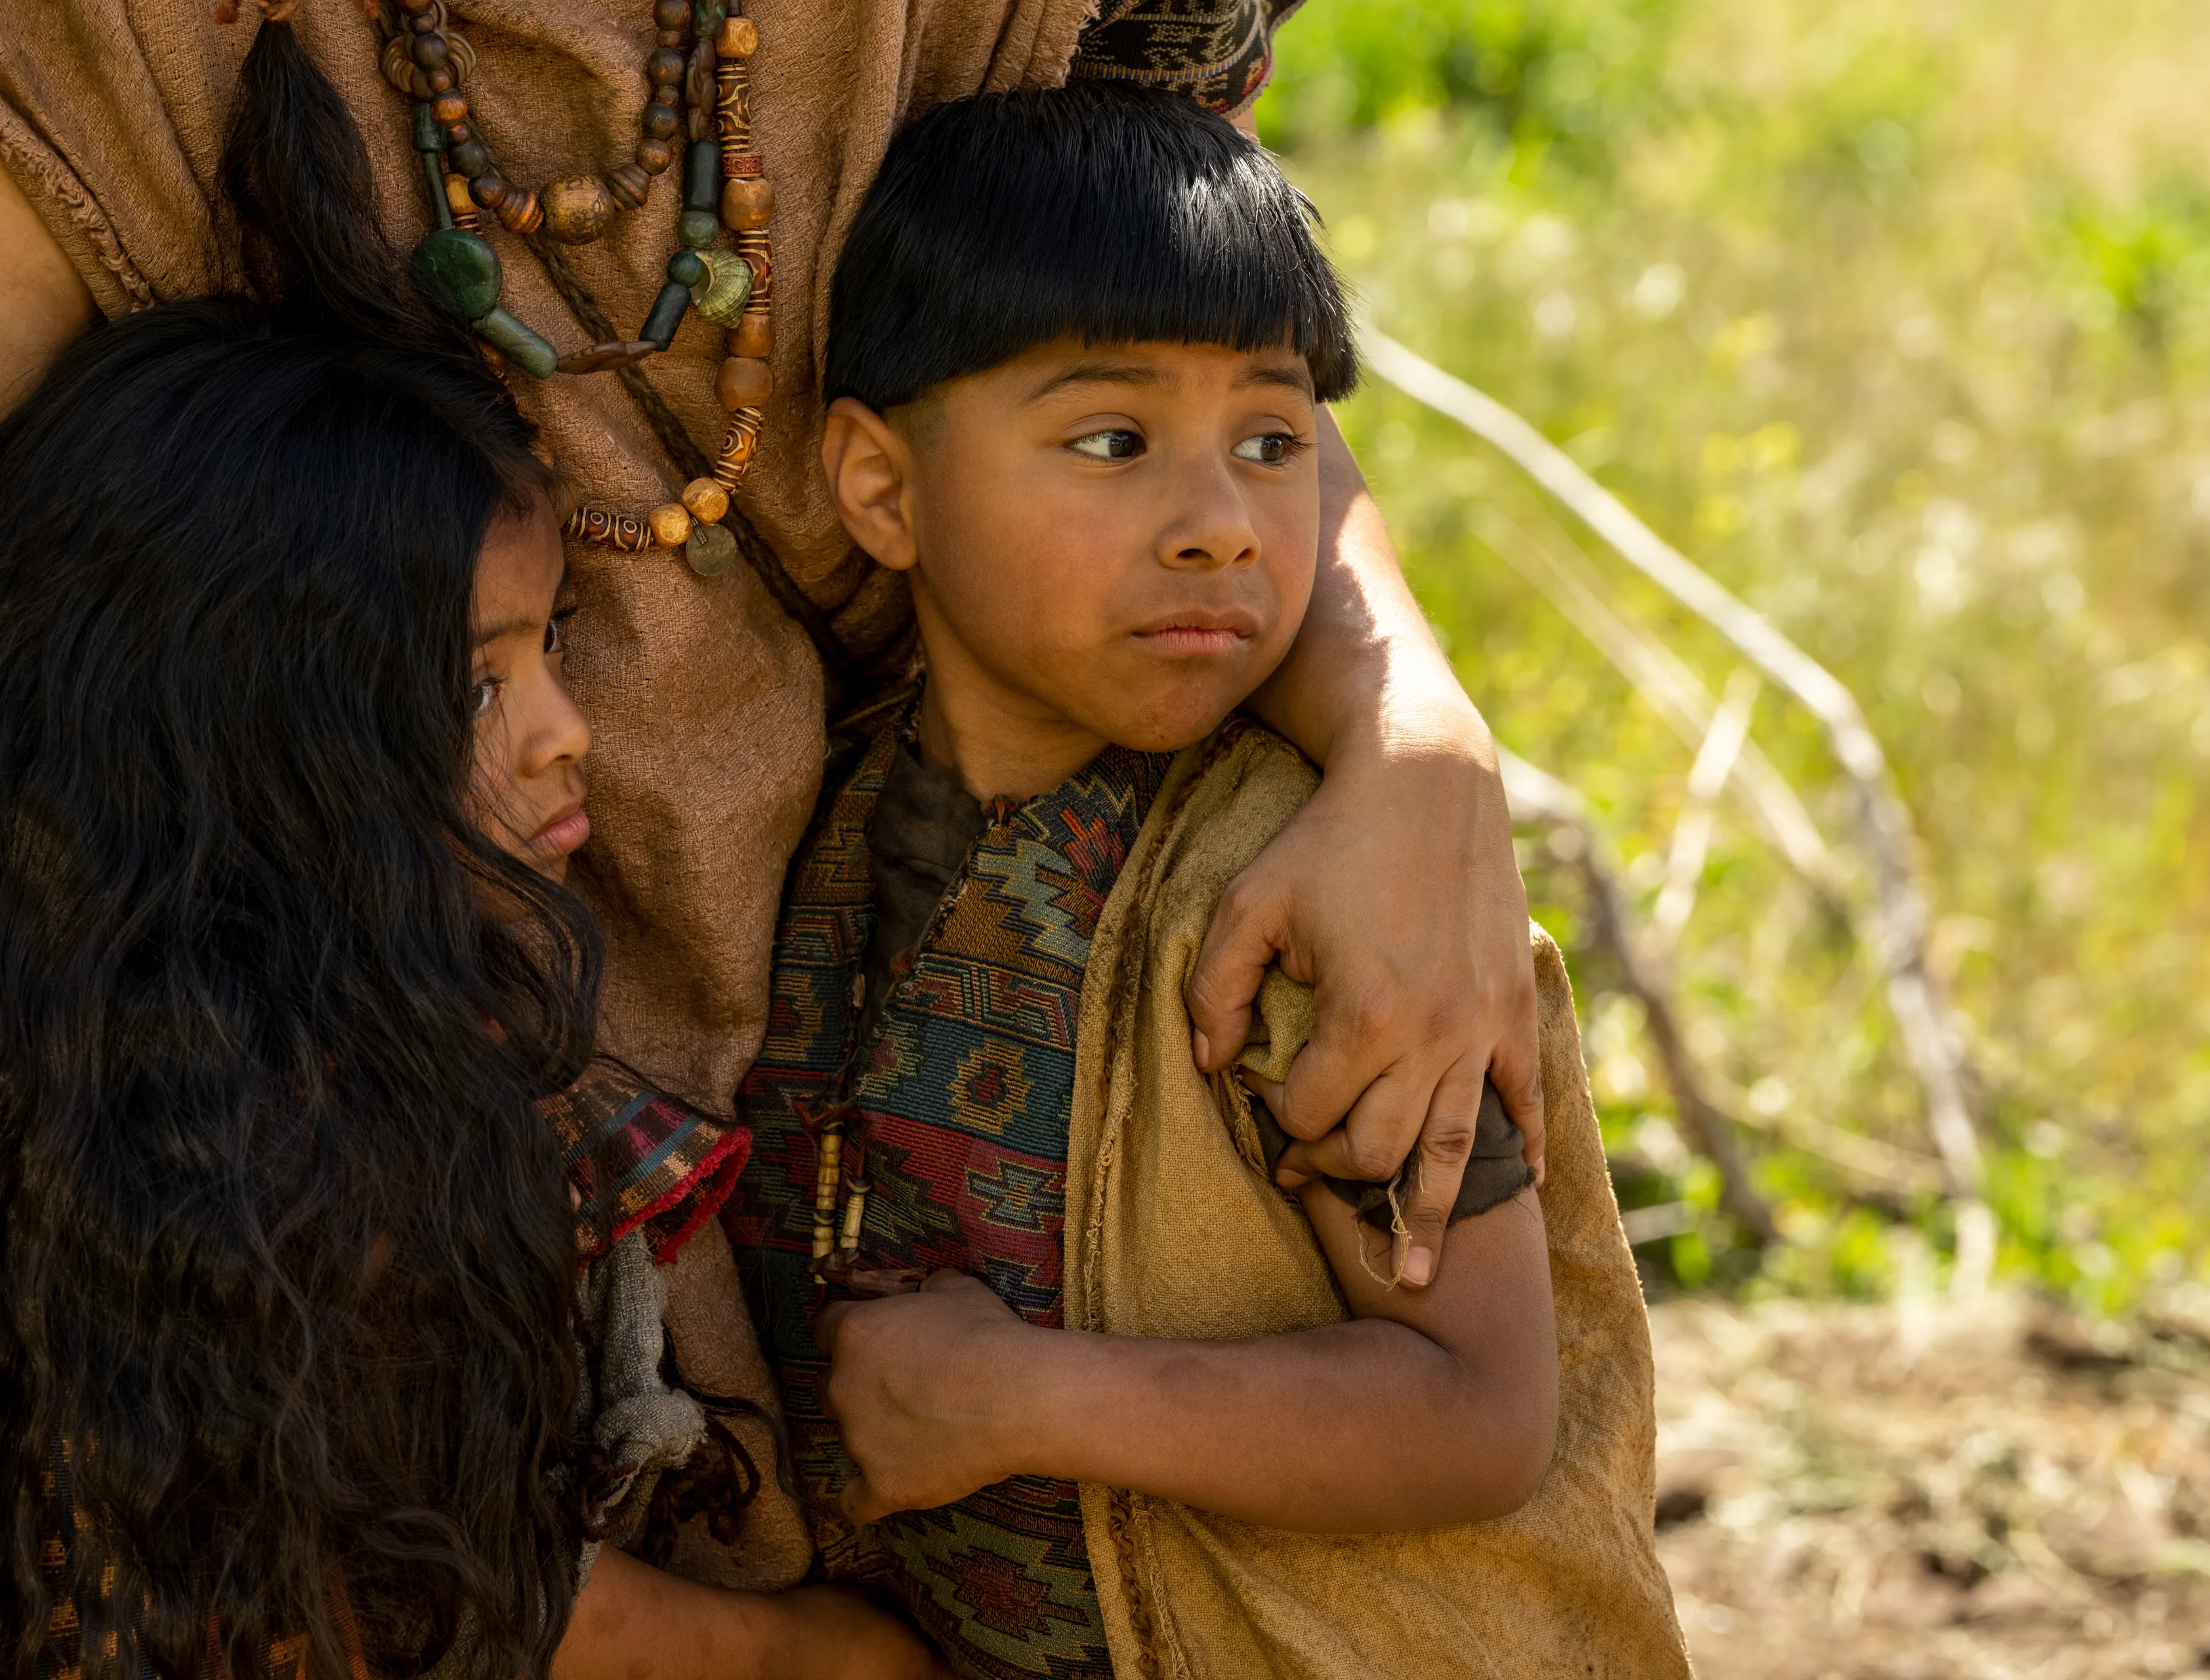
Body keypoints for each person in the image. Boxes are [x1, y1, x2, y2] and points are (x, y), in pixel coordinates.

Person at [0, 9, 1545, 1475]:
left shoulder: (1210, 892)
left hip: (974, 965)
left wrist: (1419, 752)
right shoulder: (28, 27)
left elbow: (1198, 358)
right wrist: (306, 1086)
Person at [0, 41, 944, 1677]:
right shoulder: (330, 1150)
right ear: (256, 733)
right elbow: (486, 1609)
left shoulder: (32, 1030)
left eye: (550, 644)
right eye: (477, 681)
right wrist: (830, 1659)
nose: (571, 731)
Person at [724, 85, 1689, 1679]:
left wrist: (1023, 1398)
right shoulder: (812, 825)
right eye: (1113, 442)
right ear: (881, 491)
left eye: (1272, 441)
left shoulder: (1303, 908)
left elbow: (1478, 1407)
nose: (1222, 530)